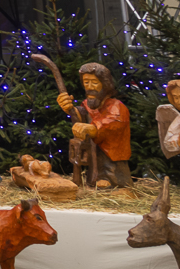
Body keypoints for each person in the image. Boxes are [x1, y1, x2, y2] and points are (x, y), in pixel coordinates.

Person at [54, 61, 132, 189]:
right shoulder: (87, 104)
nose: (89, 87)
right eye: (86, 82)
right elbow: (82, 117)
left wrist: (94, 128)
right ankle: (95, 180)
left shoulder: (116, 106)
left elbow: (112, 122)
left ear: (105, 84)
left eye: (94, 82)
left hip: (112, 161)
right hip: (95, 161)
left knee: (111, 173)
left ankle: (112, 182)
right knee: (93, 172)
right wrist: (70, 109)